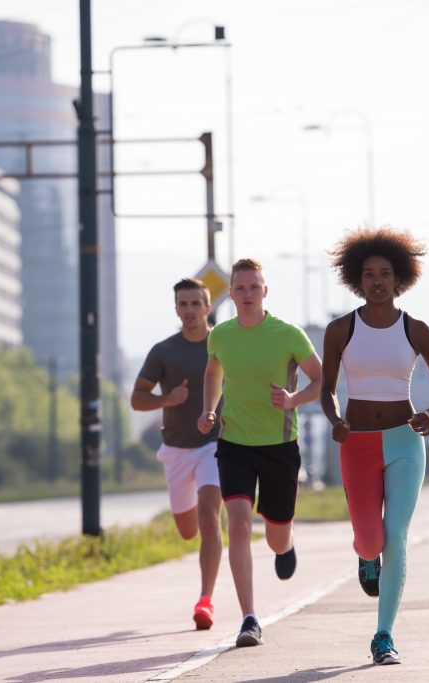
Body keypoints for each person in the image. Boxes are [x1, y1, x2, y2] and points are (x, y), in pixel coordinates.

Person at [320, 227, 429, 665]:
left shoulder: (417, 330)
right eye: (368, 274)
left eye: (384, 274)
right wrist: (335, 420)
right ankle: (366, 558)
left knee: (395, 536)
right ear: (356, 279)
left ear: (400, 278)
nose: (376, 281)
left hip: (404, 442)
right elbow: (327, 391)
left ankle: (384, 636)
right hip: (356, 444)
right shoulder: (340, 330)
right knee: (369, 541)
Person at [197, 258, 323, 648]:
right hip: (234, 443)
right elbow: (213, 372)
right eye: (240, 288)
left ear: (265, 291)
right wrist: (208, 410)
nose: (247, 294)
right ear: (230, 293)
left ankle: (287, 543)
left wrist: (293, 399)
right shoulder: (220, 336)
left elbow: (322, 380)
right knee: (237, 523)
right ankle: (249, 618)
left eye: (254, 287)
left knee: (275, 538)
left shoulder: (288, 335)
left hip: (279, 447)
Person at [131, 278, 224, 631]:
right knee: (188, 531)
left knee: (209, 516)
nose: (189, 311)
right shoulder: (164, 351)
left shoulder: (223, 344)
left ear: (207, 307)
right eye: (183, 304)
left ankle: (205, 601)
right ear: (176, 310)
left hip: (214, 444)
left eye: (195, 303)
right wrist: (166, 399)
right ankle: (203, 544)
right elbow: (137, 399)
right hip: (176, 450)